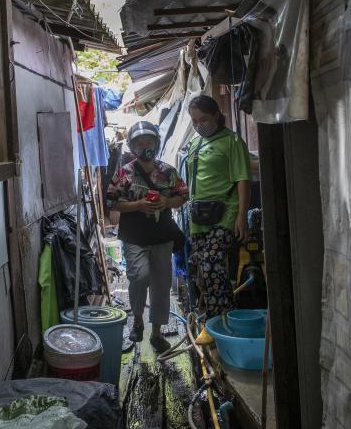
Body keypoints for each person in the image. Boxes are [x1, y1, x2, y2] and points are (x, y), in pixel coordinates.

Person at [106, 121, 188, 352]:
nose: (145, 147)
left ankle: (157, 333)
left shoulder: (168, 171)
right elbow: (112, 202)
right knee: (139, 277)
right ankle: (138, 320)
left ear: (157, 143)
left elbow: (183, 195)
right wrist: (138, 205)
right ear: (132, 146)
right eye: (139, 143)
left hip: (162, 234)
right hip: (134, 235)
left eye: (149, 142)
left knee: (161, 284)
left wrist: (167, 202)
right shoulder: (124, 173)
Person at [184, 95, 252, 318]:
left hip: (224, 212)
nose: (198, 125)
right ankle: (217, 316)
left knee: (212, 264)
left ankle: (221, 318)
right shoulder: (195, 143)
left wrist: (241, 215)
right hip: (198, 216)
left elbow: (242, 179)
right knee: (200, 270)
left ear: (215, 115)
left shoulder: (232, 142)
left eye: (203, 120)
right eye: (194, 121)